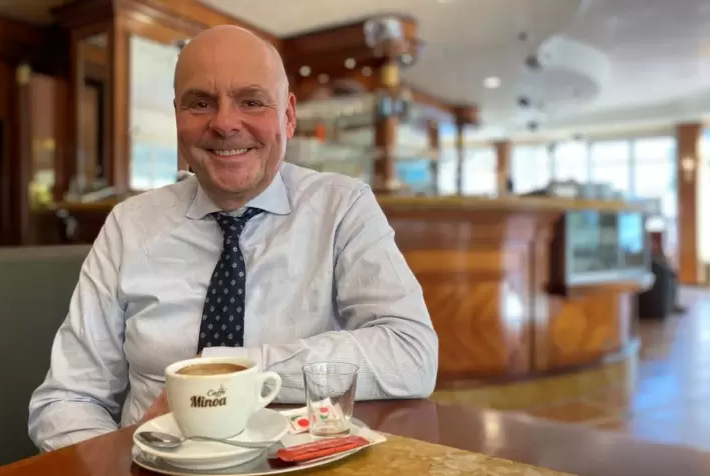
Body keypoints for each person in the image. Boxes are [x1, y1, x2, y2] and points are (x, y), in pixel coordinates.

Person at [28, 26, 438, 452]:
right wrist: (119, 472)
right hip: (149, 474)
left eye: (252, 101)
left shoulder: (343, 209)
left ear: (289, 116)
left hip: (294, 473)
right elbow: (67, 398)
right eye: (200, 103)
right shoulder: (128, 226)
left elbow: (411, 355)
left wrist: (234, 372)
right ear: (177, 117)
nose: (224, 123)